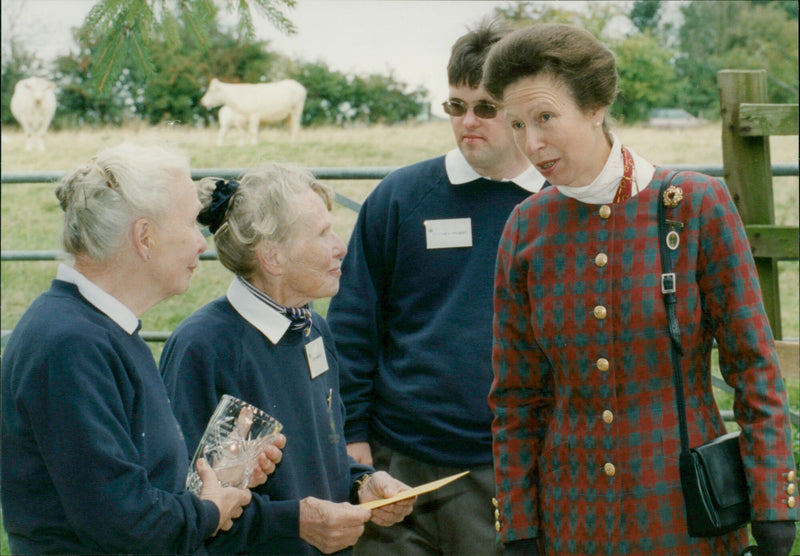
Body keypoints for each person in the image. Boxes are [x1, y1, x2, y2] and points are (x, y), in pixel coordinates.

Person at [483, 23, 799, 556]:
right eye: (515, 124)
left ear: (596, 106)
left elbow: (754, 369)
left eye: (544, 117)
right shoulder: (525, 228)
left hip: (684, 516)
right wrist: (518, 526)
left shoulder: (696, 203)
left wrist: (773, 509)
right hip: (572, 524)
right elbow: (516, 397)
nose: (531, 143)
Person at [325, 19, 547, 555]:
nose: (468, 121)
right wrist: (354, 442)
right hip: (396, 463)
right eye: (455, 106)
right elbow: (353, 326)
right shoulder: (400, 197)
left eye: (485, 108)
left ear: (520, 110)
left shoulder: (558, 207)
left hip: (513, 464)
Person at [0, 142, 284, 554]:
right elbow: (120, 521)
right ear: (144, 237)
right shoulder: (70, 344)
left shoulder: (97, 329)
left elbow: (127, 483)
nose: (200, 244)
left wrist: (217, 478)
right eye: (190, 224)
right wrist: (207, 510)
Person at [159, 163, 416, 555]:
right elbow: (193, 500)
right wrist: (297, 522)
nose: (341, 246)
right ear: (272, 257)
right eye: (322, 233)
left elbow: (321, 456)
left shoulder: (313, 328)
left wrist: (362, 484)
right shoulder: (205, 346)